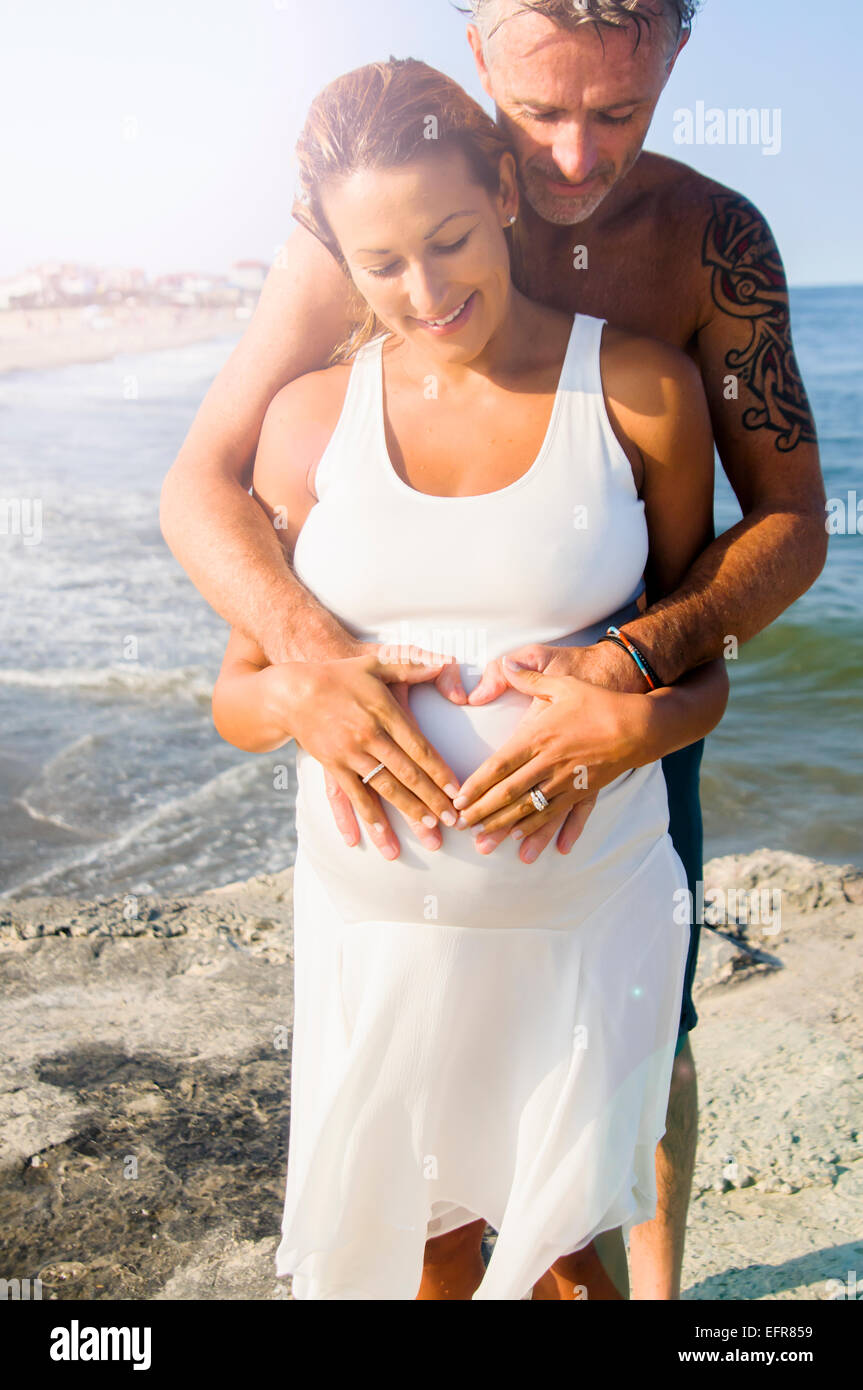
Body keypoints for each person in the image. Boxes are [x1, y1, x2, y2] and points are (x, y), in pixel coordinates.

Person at [160, 0, 826, 1299]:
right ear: (481, 70)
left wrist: (642, 672)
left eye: (619, 113)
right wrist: (309, 664)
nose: (579, 158)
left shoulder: (708, 243)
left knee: (649, 1053)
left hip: (614, 733)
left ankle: (656, 1287)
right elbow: (206, 480)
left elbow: (786, 523)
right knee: (427, 1213)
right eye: (544, 113)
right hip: (385, 891)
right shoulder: (360, 217)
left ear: (678, 56)